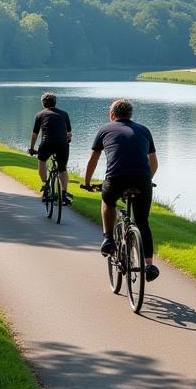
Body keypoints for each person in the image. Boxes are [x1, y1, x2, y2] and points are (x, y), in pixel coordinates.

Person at [82, 98, 160, 283]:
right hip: (142, 180)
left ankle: (108, 239)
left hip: (115, 178)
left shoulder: (105, 129)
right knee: (143, 221)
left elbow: (92, 160)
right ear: (130, 114)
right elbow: (154, 163)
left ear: (112, 114)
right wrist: (147, 180)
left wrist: (86, 182)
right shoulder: (144, 130)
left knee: (107, 202)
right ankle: (148, 265)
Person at [28, 92, 72, 200]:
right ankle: (64, 194)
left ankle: (46, 184)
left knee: (42, 160)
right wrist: (68, 141)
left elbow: (35, 134)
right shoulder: (64, 114)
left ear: (43, 103)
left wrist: (32, 148)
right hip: (62, 144)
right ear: (55, 102)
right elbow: (69, 133)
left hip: (47, 142)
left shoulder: (40, 115)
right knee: (62, 169)